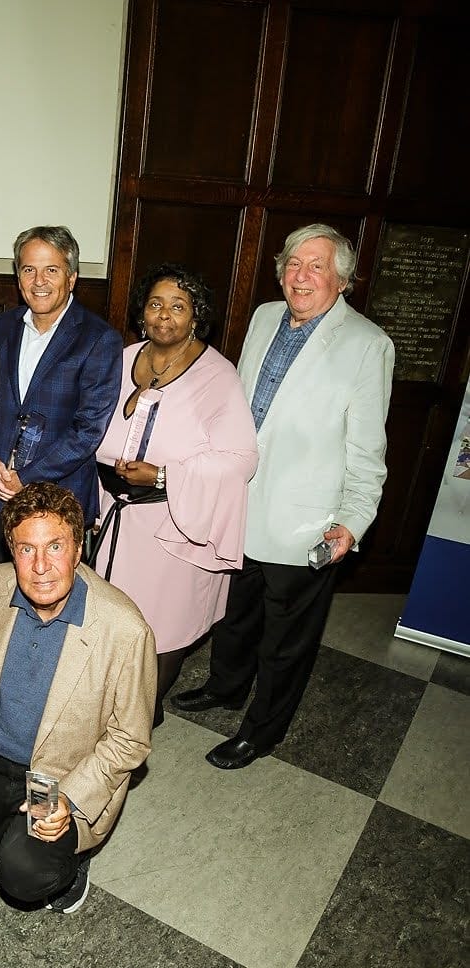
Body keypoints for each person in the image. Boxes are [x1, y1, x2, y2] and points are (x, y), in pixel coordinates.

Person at [174, 224, 394, 769]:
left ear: (342, 279)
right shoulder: (264, 317)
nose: (302, 275)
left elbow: (367, 451)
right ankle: (225, 687)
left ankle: (263, 729)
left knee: (286, 640)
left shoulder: (368, 346)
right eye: (294, 263)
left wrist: (353, 519)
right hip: (241, 507)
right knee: (234, 615)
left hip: (306, 526)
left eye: (317, 266)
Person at [0, 482, 155, 913]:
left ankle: (74, 859)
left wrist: (70, 800)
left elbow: (130, 740)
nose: (40, 566)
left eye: (55, 547)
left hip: (56, 777)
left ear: (78, 550)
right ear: (10, 551)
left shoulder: (126, 630)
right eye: (25, 549)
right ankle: (11, 824)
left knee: (22, 876)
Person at [91, 263, 258, 725]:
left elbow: (242, 458)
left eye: (178, 306)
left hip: (172, 522)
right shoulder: (122, 360)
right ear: (141, 313)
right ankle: (110, 702)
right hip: (113, 514)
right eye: (156, 304)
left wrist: (164, 476)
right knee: (113, 620)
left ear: (196, 316)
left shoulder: (217, 377)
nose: (165, 315)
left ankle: (143, 714)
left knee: (161, 627)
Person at [0, 225, 122, 565]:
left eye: (51, 270)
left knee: (53, 608)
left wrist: (24, 478)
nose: (38, 281)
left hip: (60, 501)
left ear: (71, 278)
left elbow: (88, 432)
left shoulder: (99, 339)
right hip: (0, 496)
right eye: (29, 270)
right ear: (18, 276)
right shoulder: (2, 327)